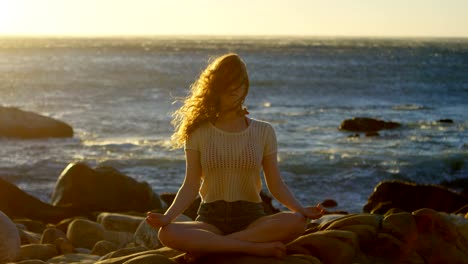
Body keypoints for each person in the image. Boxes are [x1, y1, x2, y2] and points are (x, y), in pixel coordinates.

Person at [146, 53, 323, 260]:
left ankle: (213, 247)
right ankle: (252, 247)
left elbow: (275, 183)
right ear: (215, 87)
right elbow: (190, 184)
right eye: (228, 83)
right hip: (210, 220)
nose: (234, 89)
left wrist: (301, 209)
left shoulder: (264, 131)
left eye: (239, 83)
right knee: (167, 233)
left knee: (297, 221)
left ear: (245, 87)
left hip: (253, 218)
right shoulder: (198, 132)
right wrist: (168, 217)